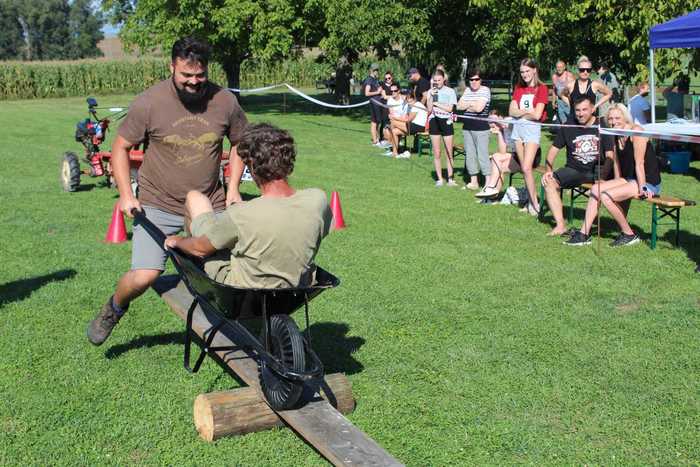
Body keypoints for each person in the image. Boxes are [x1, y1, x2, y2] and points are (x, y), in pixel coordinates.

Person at [87, 36, 249, 346]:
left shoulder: (225, 101)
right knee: (145, 276)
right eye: (186, 75)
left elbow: (240, 142)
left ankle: (238, 330)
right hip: (157, 205)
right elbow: (120, 148)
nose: (194, 82)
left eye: (200, 75)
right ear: (171, 67)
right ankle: (113, 309)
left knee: (226, 272)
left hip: (208, 203)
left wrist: (232, 190)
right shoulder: (149, 103)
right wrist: (126, 195)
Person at [164, 123, 333, 287]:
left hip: (241, 292)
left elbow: (200, 249)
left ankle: (192, 276)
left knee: (195, 198)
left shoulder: (242, 214)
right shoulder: (317, 200)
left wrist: (177, 241)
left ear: (252, 166)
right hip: (295, 288)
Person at [566, 104, 661, 246]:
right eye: (610, 119)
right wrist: (613, 183)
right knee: (595, 189)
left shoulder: (636, 132)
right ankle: (583, 234)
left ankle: (629, 234)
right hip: (629, 179)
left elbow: (640, 163)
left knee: (606, 196)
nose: (613, 122)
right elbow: (616, 164)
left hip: (647, 181)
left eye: (617, 118)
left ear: (625, 118)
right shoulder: (615, 134)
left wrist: (643, 188)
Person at [541, 96, 614, 236]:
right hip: (574, 170)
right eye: (577, 110)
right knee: (549, 182)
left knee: (600, 188)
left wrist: (603, 176)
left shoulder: (601, 125)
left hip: (598, 170)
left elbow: (610, 156)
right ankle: (560, 225)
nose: (580, 114)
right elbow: (552, 151)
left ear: (592, 109)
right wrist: (548, 171)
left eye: (584, 110)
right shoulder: (568, 126)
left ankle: (590, 226)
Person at [509, 57, 548, 215]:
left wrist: (520, 113)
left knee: (526, 167)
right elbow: (511, 111)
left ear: (534, 70)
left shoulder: (542, 88)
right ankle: (529, 201)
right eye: (522, 72)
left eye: (527, 71)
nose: (524, 74)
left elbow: (537, 115)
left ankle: (535, 203)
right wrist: (526, 112)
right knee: (525, 169)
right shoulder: (519, 88)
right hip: (518, 130)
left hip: (532, 130)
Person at [475, 109, 542, 198]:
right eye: (490, 122)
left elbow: (517, 127)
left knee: (496, 158)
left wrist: (503, 124)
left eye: (494, 120)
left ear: (500, 117)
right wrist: (499, 132)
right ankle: (492, 196)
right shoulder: (502, 128)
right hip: (517, 156)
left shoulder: (510, 121)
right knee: (498, 163)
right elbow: (502, 152)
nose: (493, 123)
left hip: (531, 155)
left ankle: (490, 187)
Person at [456, 67, 491, 190]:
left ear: (481, 80)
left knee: (482, 155)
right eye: (471, 80)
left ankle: (488, 182)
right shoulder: (467, 90)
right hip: (467, 127)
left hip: (481, 128)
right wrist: (472, 104)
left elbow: (479, 109)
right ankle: (473, 181)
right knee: (470, 155)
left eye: (476, 79)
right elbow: (459, 106)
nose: (474, 82)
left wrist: (468, 105)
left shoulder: (485, 90)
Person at [427, 69, 458, 187]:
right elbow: (429, 109)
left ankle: (450, 178)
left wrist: (437, 103)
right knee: (437, 152)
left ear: (443, 79)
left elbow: (450, 108)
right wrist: (431, 97)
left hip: (446, 121)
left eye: (439, 80)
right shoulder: (431, 91)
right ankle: (439, 179)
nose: (437, 82)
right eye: (435, 80)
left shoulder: (450, 91)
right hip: (434, 120)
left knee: (449, 151)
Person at [386, 90, 428, 159]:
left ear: (414, 99)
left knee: (393, 122)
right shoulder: (411, 105)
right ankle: (394, 152)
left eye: (410, 99)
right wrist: (396, 118)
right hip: (413, 125)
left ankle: (390, 144)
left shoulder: (417, 105)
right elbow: (405, 117)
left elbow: (408, 119)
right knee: (395, 131)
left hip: (418, 127)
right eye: (407, 100)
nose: (408, 101)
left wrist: (394, 118)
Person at [362, 64, 389, 147]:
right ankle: (375, 141)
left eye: (377, 70)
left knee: (377, 122)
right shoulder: (369, 80)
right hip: (374, 103)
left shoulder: (375, 79)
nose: (377, 72)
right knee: (374, 122)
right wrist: (377, 92)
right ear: (371, 70)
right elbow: (366, 93)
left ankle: (377, 139)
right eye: (375, 70)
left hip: (378, 103)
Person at [382, 84, 409, 157]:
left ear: (399, 91)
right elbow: (391, 113)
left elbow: (406, 114)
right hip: (394, 120)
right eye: (391, 91)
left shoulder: (404, 99)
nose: (393, 92)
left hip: (403, 120)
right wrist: (394, 119)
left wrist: (398, 119)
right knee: (388, 131)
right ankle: (395, 149)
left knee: (393, 128)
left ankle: (394, 150)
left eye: (395, 91)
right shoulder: (390, 100)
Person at [551, 60, 574, 124]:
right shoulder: (554, 76)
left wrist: (571, 102)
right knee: (563, 121)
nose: (559, 69)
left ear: (564, 67)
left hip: (568, 101)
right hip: (559, 102)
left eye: (560, 67)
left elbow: (574, 89)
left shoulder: (569, 75)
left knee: (571, 120)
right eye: (557, 67)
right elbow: (554, 89)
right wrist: (553, 102)